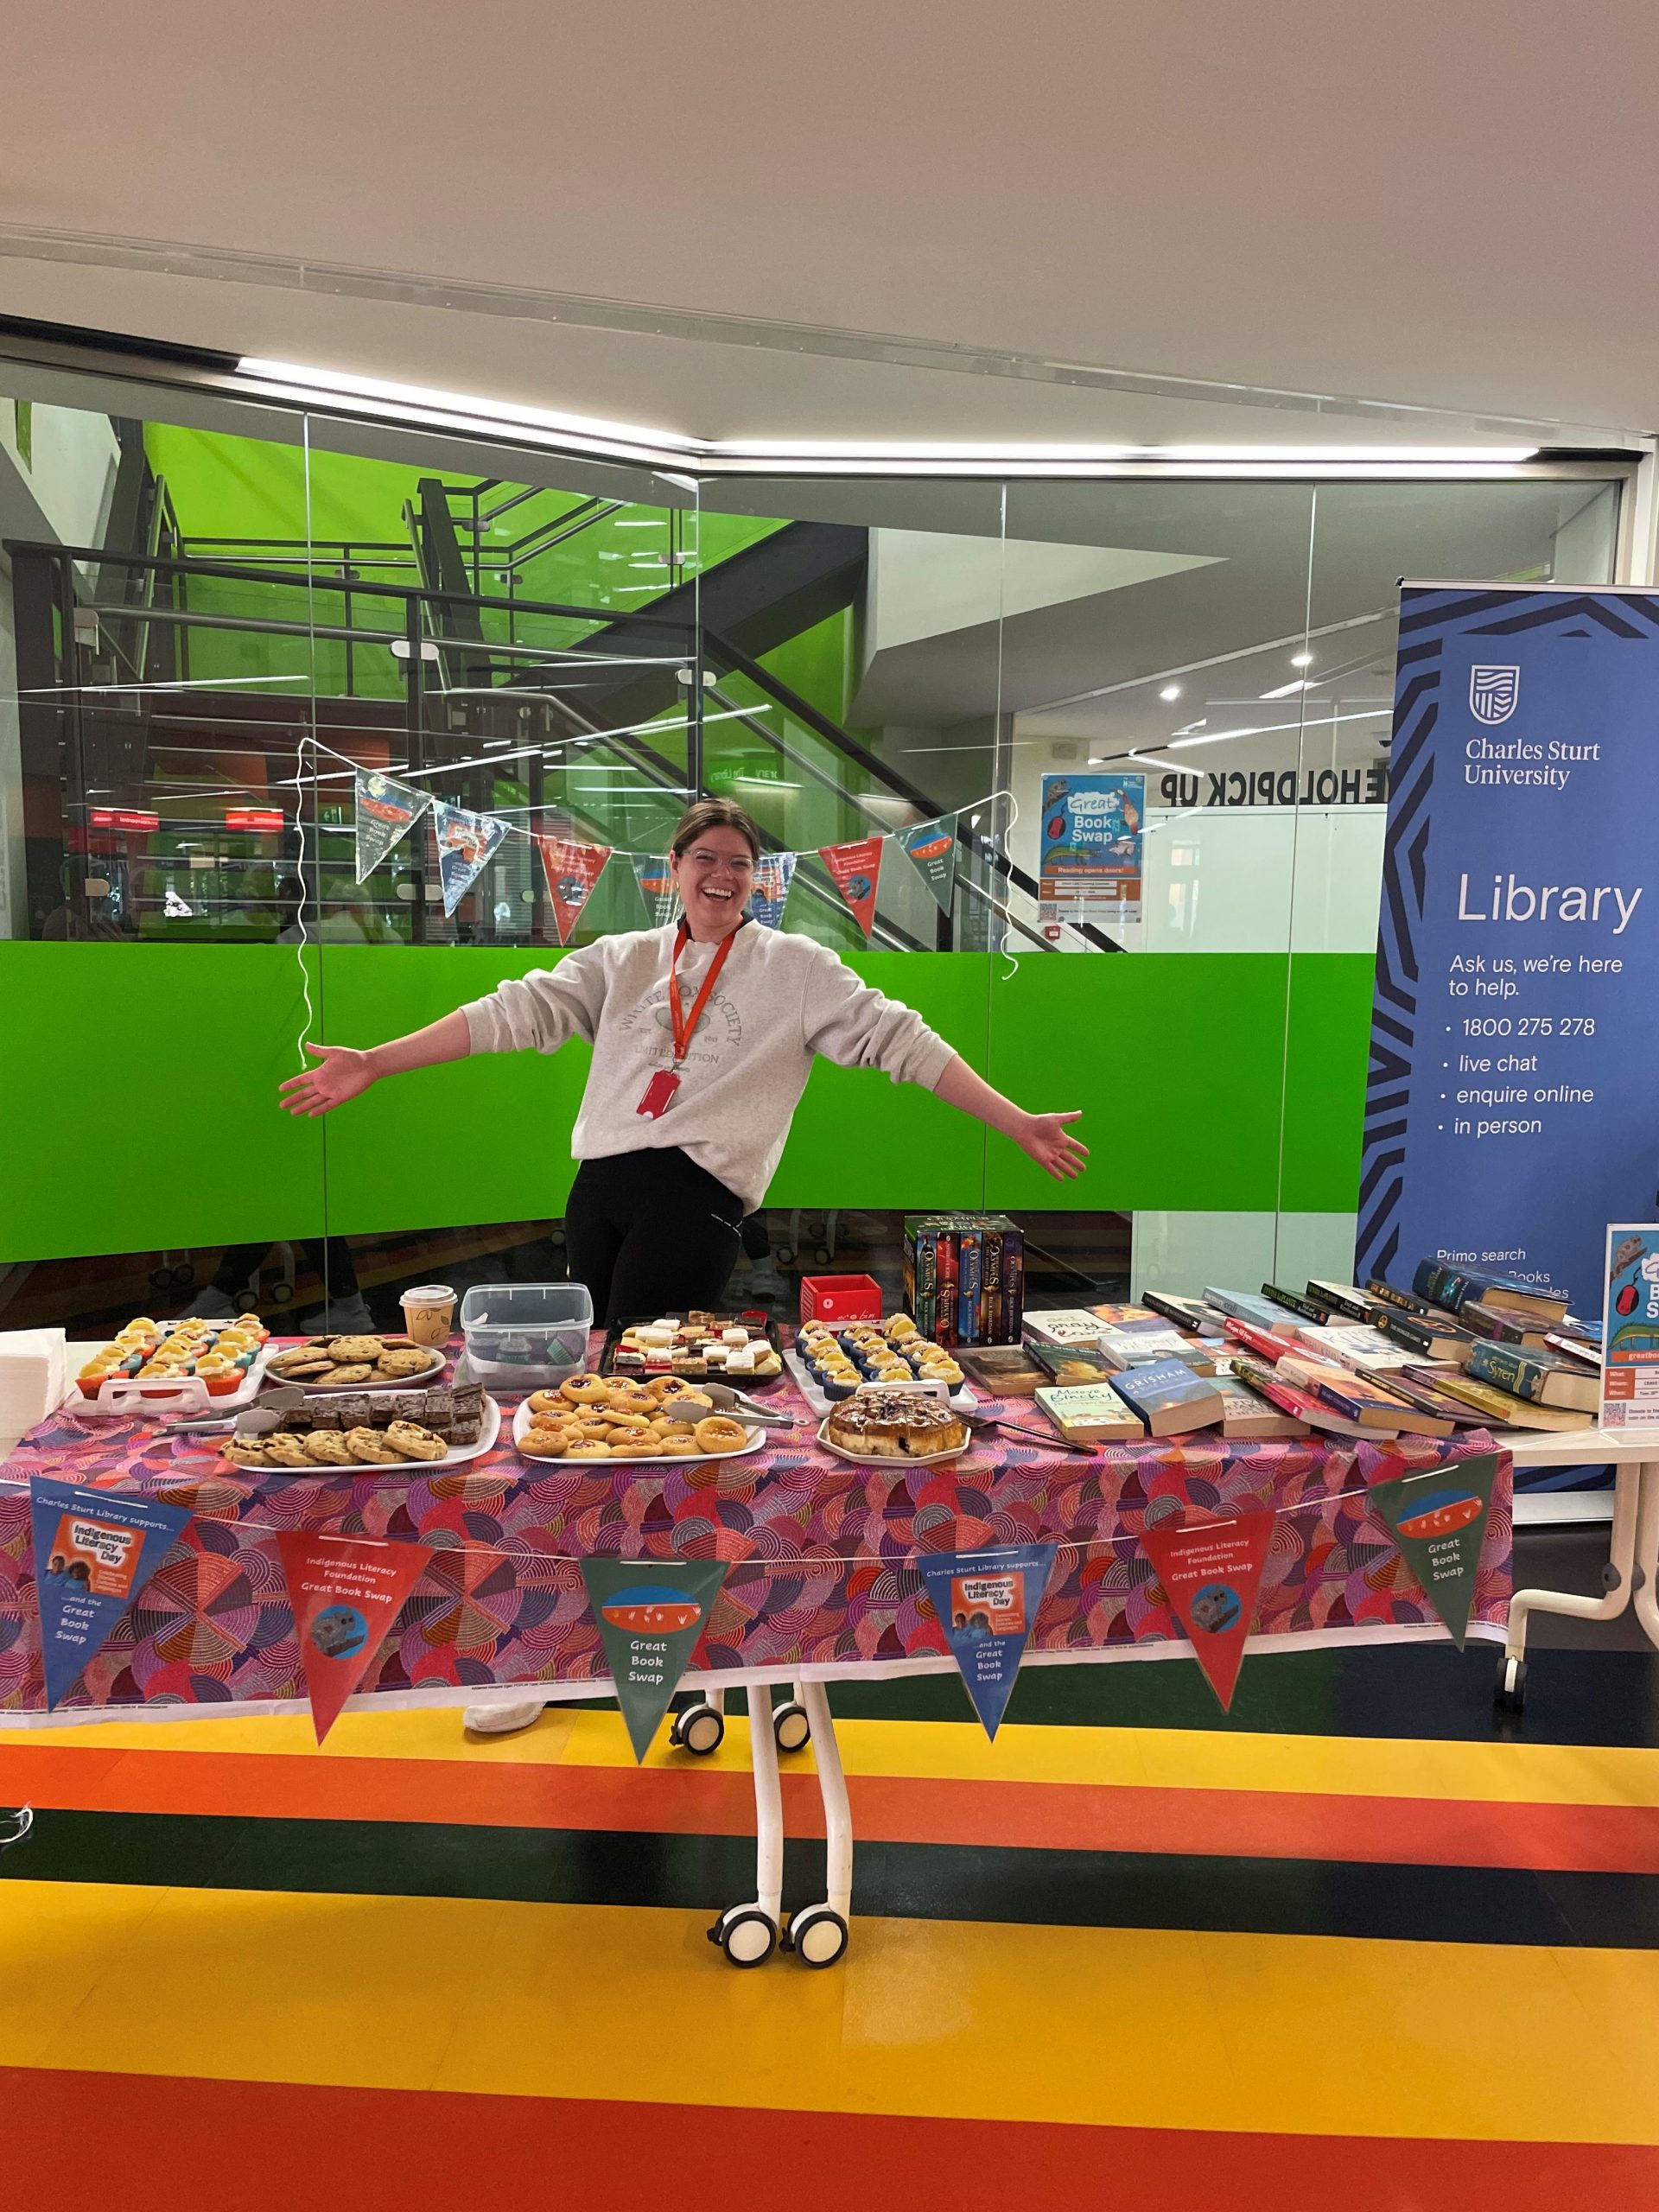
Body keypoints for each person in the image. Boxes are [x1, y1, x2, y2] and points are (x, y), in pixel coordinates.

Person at [278, 797, 1087, 1732]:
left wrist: (1015, 1120)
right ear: (673, 867)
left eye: (740, 863)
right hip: (600, 1195)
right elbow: (512, 1012)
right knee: (591, 1410)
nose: (722, 874)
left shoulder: (796, 969)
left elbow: (901, 1040)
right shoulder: (621, 960)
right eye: (706, 856)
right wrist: (377, 1061)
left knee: (642, 1419)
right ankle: (584, 1638)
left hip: (694, 1203)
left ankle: (634, 1649)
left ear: (758, 880)